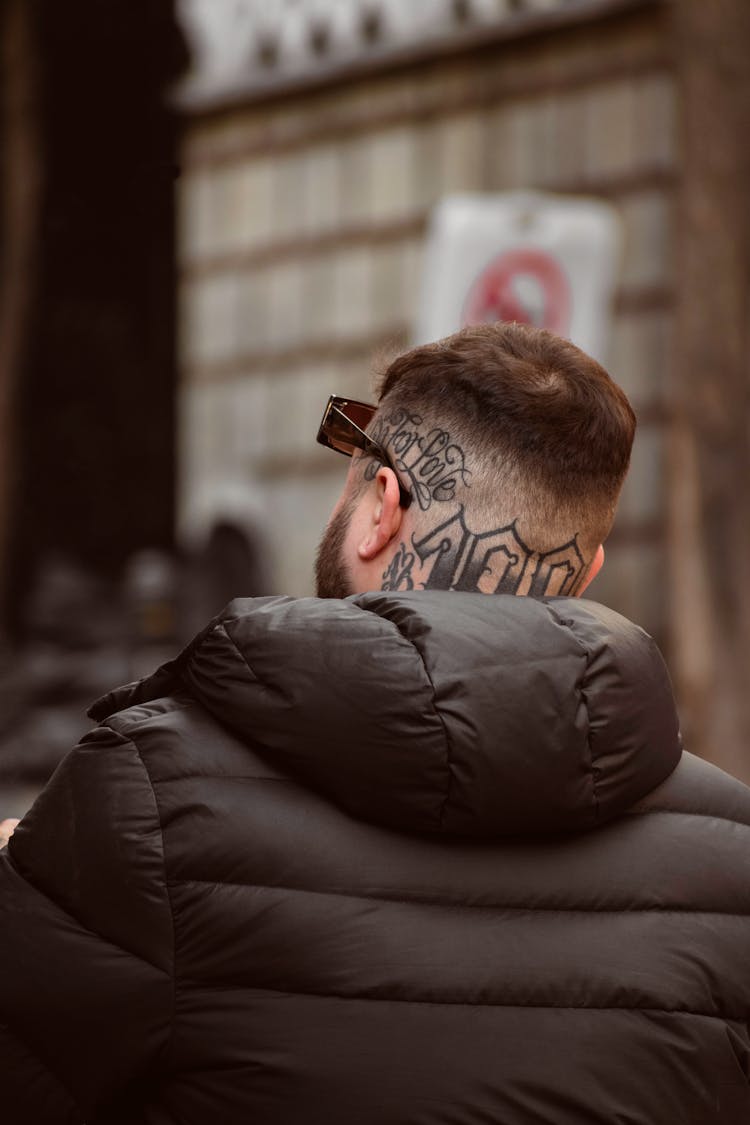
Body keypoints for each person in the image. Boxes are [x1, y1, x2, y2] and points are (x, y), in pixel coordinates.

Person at [1, 323, 749, 1124]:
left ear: (382, 509)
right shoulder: (731, 861)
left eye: (352, 480)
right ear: (587, 571)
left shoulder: (146, 797)